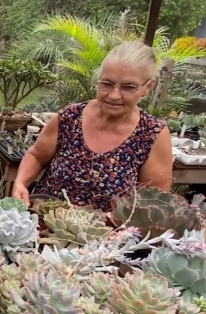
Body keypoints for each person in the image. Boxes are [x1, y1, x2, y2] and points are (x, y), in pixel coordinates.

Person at [12, 41, 173, 211]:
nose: (114, 95)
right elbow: (37, 156)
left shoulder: (152, 134)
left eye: (128, 87)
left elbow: (153, 203)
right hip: (42, 221)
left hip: (108, 234)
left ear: (148, 87)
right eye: (107, 83)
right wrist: (21, 182)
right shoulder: (70, 117)